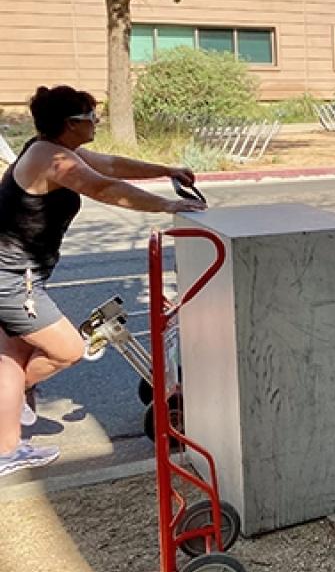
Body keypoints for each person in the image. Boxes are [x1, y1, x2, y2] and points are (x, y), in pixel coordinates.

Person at [1, 85, 206, 477]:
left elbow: (110, 167)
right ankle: (9, 413)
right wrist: (168, 205)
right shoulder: (53, 160)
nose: (97, 121)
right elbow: (103, 188)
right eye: (91, 116)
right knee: (68, 350)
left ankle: (6, 446)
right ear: (70, 123)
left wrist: (166, 172)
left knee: (12, 357)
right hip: (13, 278)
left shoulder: (55, 150)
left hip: (18, 273)